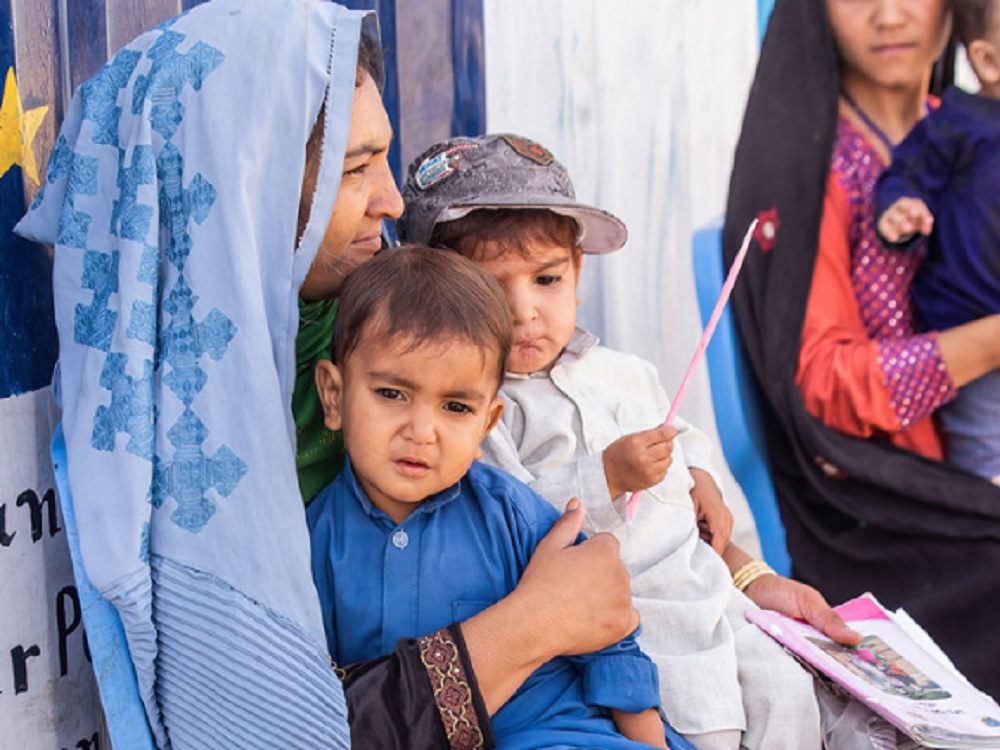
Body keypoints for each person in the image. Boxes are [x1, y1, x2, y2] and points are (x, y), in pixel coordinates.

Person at [13, 2, 641, 747]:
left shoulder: (366, 328)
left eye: (384, 159)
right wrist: (533, 624)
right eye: (355, 167)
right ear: (251, 184)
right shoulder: (170, 464)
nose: (394, 200)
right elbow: (294, 728)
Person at [397, 133, 828, 750]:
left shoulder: (622, 371)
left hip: (706, 588)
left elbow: (681, 435)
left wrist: (699, 478)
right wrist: (605, 478)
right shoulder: (480, 407)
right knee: (712, 728)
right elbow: (501, 517)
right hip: (630, 619)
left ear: (576, 274)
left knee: (789, 695)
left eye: (546, 279)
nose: (524, 312)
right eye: (491, 287)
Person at [308, 245, 695, 750]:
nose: (422, 431)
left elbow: (610, 632)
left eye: (455, 406)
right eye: (392, 394)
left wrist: (652, 744)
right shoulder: (311, 545)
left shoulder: (510, 513)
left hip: (561, 736)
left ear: (486, 423)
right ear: (334, 395)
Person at [723, 0, 1000, 700]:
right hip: (880, 496)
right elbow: (821, 384)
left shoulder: (968, 125)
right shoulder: (815, 166)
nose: (888, 14)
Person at [874, 0, 1000, 484]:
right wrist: (900, 209)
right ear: (988, 62)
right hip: (972, 326)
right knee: (986, 454)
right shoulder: (958, 123)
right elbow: (904, 175)